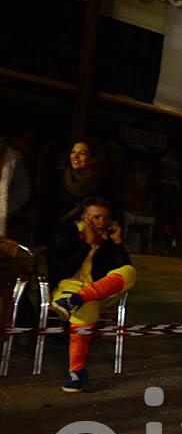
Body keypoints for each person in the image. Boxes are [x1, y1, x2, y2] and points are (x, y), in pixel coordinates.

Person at [48, 196, 136, 392]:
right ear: (85, 217)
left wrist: (117, 243)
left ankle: (76, 300)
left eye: (106, 218)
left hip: (99, 290)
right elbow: (59, 270)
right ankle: (76, 372)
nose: (102, 223)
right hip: (67, 287)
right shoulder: (67, 232)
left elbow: (120, 268)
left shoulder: (108, 240)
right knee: (86, 305)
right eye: (96, 218)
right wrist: (86, 244)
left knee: (130, 272)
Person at [40, 139, 112, 242]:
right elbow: (45, 210)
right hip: (58, 238)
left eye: (81, 153)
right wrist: (41, 240)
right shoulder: (58, 178)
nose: (75, 156)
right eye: (73, 152)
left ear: (93, 159)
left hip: (89, 240)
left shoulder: (103, 184)